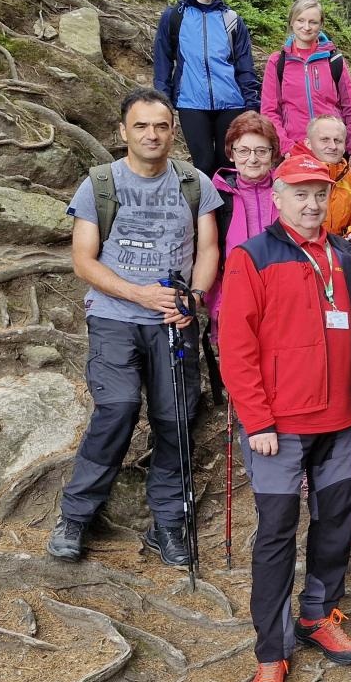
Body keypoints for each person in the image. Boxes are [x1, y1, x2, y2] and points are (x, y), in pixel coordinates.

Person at [219, 153, 351, 682]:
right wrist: (256, 419)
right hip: (278, 425)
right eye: (299, 193)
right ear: (277, 197)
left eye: (319, 193)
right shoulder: (252, 257)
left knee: (335, 523)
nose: (311, 203)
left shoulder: (347, 257)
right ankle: (271, 652)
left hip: (340, 418)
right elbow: (236, 344)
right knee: (276, 533)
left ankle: (318, 614)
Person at [48, 89, 221, 565]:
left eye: (161, 126)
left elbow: (208, 249)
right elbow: (83, 260)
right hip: (114, 317)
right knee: (117, 408)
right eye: (141, 126)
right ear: (123, 131)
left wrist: (195, 298)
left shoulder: (194, 183)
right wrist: (139, 293)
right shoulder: (100, 184)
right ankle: (75, 517)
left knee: (175, 419)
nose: (152, 135)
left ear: (172, 131)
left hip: (174, 321)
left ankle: (168, 525)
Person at [153, 0, 258, 177]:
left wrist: (252, 104)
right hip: (191, 102)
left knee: (228, 164)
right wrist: (163, 98)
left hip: (231, 102)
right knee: (203, 163)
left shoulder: (231, 19)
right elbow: (163, 60)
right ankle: (202, 201)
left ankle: (227, 201)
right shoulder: (174, 17)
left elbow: (244, 64)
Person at [260, 0, 351, 172]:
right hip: (295, 150)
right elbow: (269, 111)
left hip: (332, 148)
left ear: (321, 24)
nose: (307, 27)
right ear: (292, 22)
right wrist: (285, 146)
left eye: (313, 22)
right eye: (300, 20)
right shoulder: (278, 62)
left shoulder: (334, 60)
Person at [209, 111, 281, 336]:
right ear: (231, 153)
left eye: (261, 151)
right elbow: (208, 253)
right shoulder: (216, 196)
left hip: (284, 300)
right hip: (234, 301)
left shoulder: (288, 192)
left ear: (273, 154)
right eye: (243, 151)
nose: (252, 159)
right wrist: (218, 306)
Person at [292, 115, 351, 238]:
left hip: (341, 246)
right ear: (308, 143)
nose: (333, 146)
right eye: (325, 140)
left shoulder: (349, 178)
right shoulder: (294, 176)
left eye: (338, 140)